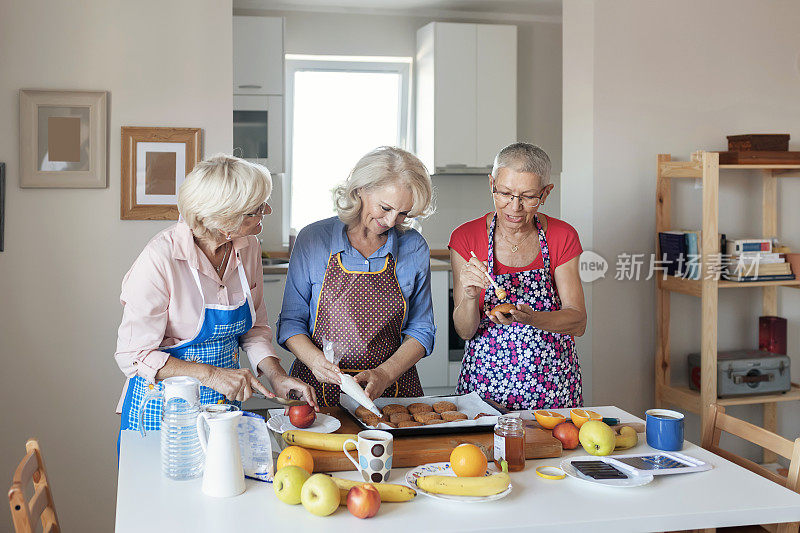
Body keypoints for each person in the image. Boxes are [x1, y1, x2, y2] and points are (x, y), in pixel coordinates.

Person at [115, 155, 317, 438]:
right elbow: (134, 356)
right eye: (256, 209)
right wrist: (212, 375)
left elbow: (255, 330)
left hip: (222, 409)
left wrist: (277, 376)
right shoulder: (160, 258)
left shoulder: (248, 248)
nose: (267, 211)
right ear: (223, 220)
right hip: (162, 411)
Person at [277, 146, 436, 405]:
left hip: (391, 391)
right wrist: (317, 362)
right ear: (360, 190)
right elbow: (291, 322)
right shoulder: (313, 240)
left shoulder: (413, 246)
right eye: (385, 207)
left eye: (404, 213)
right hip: (317, 389)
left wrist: (384, 374)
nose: (392, 221)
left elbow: (422, 330)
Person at [449, 142, 586, 410]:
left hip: (553, 386)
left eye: (528, 196)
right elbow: (465, 331)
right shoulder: (466, 238)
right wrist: (469, 296)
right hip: (485, 387)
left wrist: (530, 318)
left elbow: (578, 322)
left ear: (546, 193)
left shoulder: (561, 236)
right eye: (505, 193)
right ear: (491, 184)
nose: (515, 207)